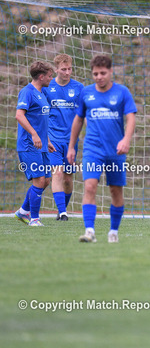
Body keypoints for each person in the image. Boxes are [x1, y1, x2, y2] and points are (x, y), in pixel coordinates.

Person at [67, 55, 137, 243]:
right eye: (96, 74)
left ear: (111, 72)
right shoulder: (86, 93)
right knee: (89, 186)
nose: (99, 77)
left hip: (115, 151)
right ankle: (89, 231)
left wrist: (126, 140)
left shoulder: (122, 92)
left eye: (103, 73)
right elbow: (78, 120)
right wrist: (71, 147)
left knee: (116, 191)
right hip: (92, 149)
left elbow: (131, 117)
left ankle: (113, 231)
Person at [43, 54, 84, 221]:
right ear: (56, 70)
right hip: (53, 138)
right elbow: (41, 113)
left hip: (71, 141)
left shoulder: (79, 87)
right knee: (57, 173)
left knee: (68, 178)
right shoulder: (47, 87)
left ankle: (62, 209)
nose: (67, 72)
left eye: (69, 69)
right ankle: (62, 212)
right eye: (63, 69)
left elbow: (84, 112)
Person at [15, 61, 55, 227]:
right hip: (28, 145)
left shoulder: (42, 93)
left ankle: (23, 211)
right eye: (50, 76)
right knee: (39, 180)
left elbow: (40, 121)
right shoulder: (27, 92)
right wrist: (33, 134)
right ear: (41, 76)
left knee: (46, 180)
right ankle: (34, 219)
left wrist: (47, 140)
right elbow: (19, 115)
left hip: (41, 145)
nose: (51, 79)